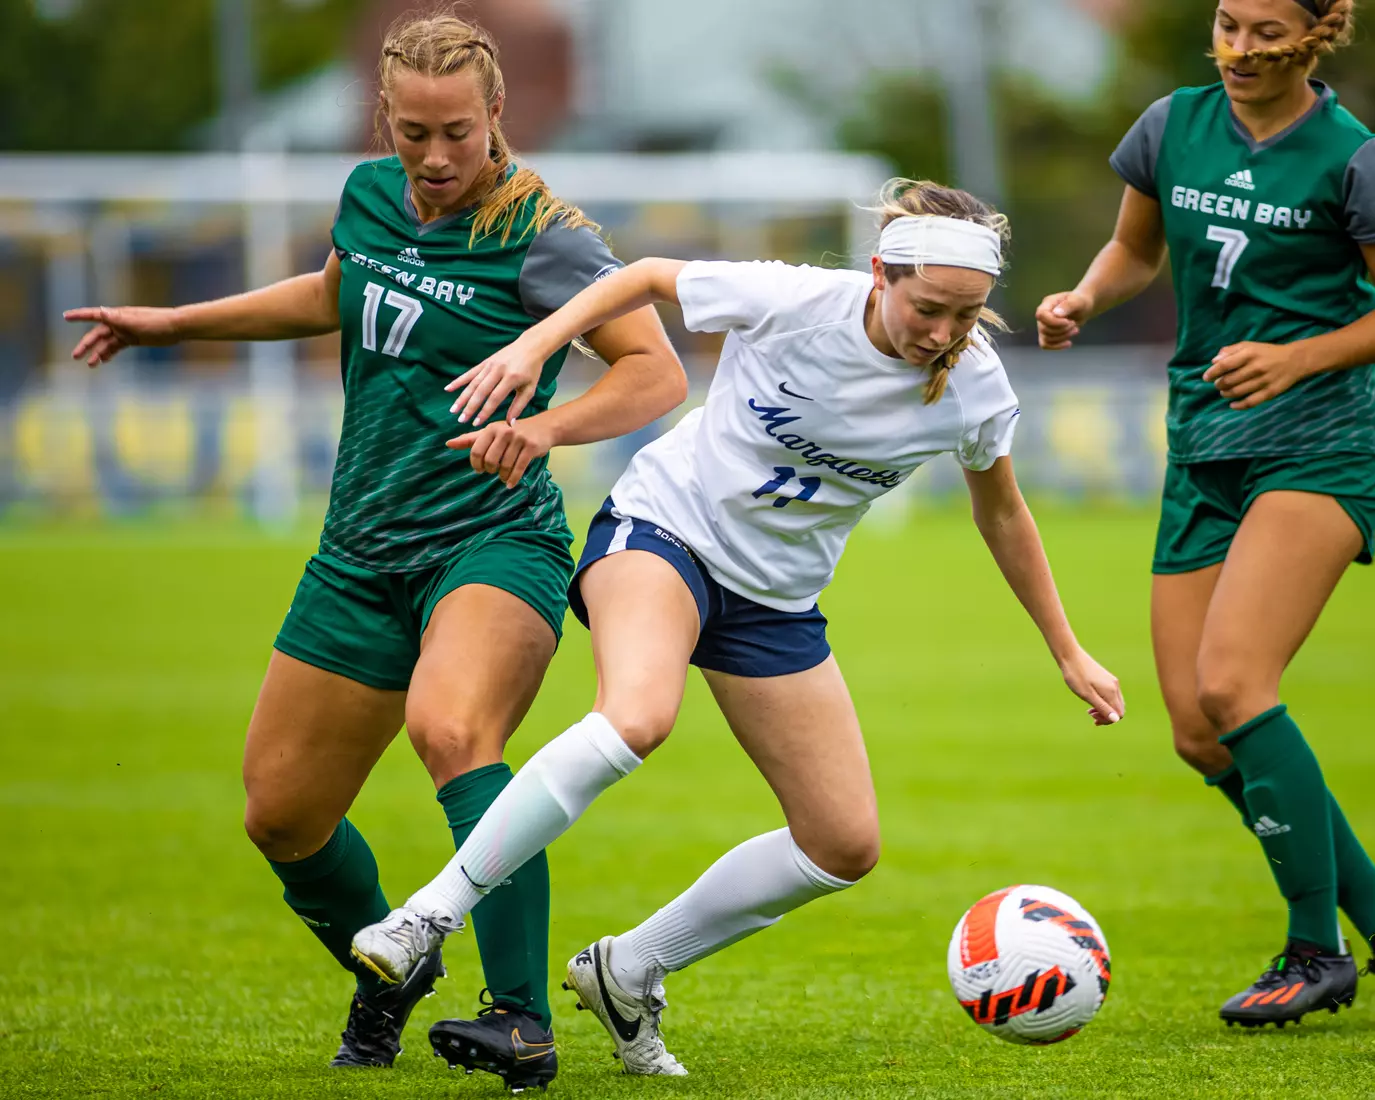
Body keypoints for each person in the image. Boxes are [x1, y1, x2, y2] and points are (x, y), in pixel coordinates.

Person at [349, 178, 1125, 1076]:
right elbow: (640, 274)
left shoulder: (973, 390)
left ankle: (629, 968)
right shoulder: (796, 302)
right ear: (880, 274)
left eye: (965, 316)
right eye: (928, 309)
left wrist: (1066, 648)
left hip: (775, 600)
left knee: (842, 844)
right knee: (638, 715)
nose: (943, 334)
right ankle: (426, 916)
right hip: (663, 531)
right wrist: (536, 345)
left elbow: (1003, 514)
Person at [63, 12, 684, 1091]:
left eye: (456, 132)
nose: (436, 158)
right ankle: (393, 966)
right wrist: (172, 323)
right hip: (357, 548)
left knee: (452, 727)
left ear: (498, 113)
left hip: (493, 537)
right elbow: (333, 295)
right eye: (412, 134)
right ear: (382, 120)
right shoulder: (366, 196)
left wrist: (539, 427)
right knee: (283, 813)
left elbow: (653, 373)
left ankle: (520, 1017)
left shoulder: (547, 234)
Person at [1036, 0, 1375, 1029]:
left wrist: (1297, 355)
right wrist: (1086, 297)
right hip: (1202, 449)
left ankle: (1313, 944)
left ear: (1318, 34)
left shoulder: (1351, 158)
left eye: (1267, 31)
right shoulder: (1169, 125)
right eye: (1228, 25)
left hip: (1319, 444)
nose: (1238, 49)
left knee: (1236, 683)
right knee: (1196, 729)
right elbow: (1134, 251)